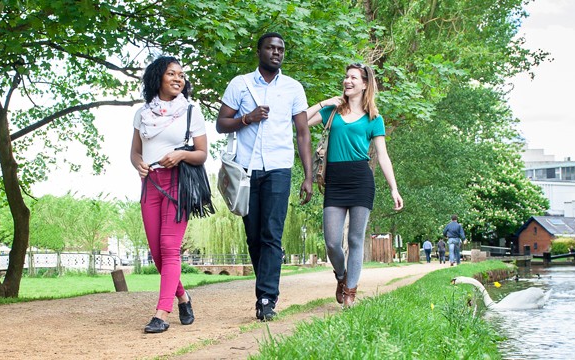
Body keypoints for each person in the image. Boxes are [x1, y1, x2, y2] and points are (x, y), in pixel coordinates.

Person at [216, 32, 313, 321]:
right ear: (259, 51)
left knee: (272, 234)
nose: (276, 53)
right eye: (270, 48)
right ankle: (265, 291)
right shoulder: (240, 84)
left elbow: (303, 132)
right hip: (245, 171)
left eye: (281, 49)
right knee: (254, 236)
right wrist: (247, 118)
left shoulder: (294, 88)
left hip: (279, 168)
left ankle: (267, 297)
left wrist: (308, 176)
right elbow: (221, 124)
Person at [306, 63, 404, 308]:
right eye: (346, 77)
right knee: (331, 241)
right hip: (335, 181)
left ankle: (351, 291)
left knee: (356, 239)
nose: (347, 81)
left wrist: (394, 188)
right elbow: (300, 121)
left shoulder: (374, 118)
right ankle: (341, 277)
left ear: (364, 84)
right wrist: (325, 102)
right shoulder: (334, 112)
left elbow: (383, 155)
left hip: (361, 180)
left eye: (353, 78)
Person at [131, 56, 206, 333]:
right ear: (157, 78)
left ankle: (162, 313)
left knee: (169, 248)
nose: (178, 79)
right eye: (172, 74)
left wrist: (180, 155)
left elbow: (201, 154)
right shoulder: (142, 114)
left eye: (182, 75)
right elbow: (135, 151)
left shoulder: (190, 112)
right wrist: (137, 163)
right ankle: (183, 297)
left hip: (178, 183)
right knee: (157, 253)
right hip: (150, 183)